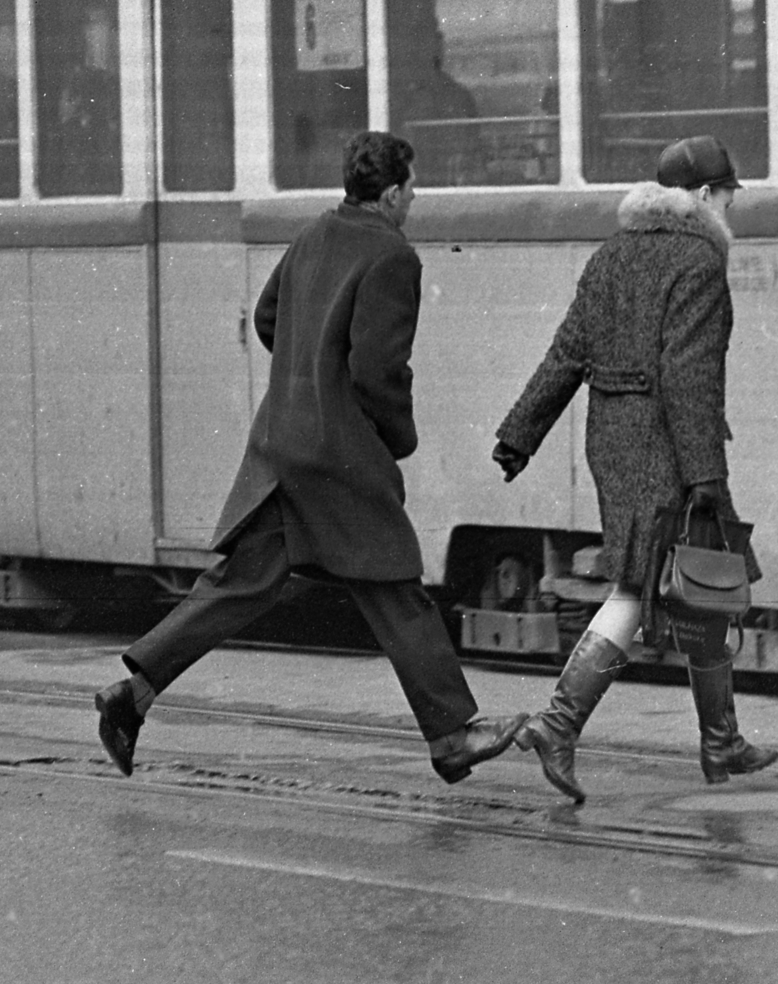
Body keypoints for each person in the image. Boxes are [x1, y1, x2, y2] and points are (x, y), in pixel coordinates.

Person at [95, 132, 526, 785]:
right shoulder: (392, 256)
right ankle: (451, 737)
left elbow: (269, 318)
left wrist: (309, 368)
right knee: (395, 588)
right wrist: (396, 434)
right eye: (411, 188)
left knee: (239, 583)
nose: (414, 199)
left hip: (283, 444)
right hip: (337, 456)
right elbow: (377, 370)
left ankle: (133, 694)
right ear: (391, 193)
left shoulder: (313, 234)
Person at [490, 135, 778, 804]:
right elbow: (687, 375)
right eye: (728, 193)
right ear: (703, 195)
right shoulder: (699, 262)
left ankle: (721, 740)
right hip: (667, 446)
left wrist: (519, 434)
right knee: (641, 585)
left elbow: (567, 353)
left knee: (701, 578)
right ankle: (557, 726)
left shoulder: (611, 254)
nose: (733, 205)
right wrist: (706, 474)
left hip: (615, 442)